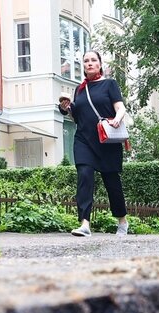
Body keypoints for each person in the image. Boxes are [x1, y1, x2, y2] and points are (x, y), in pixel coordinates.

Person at [58, 50, 129, 237]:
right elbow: (77, 118)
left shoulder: (109, 84)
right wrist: (67, 109)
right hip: (83, 140)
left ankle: (122, 220)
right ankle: (84, 224)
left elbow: (120, 107)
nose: (89, 63)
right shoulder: (80, 89)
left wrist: (117, 119)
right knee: (84, 176)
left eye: (93, 60)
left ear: (100, 64)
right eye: (86, 61)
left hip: (106, 140)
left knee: (112, 182)